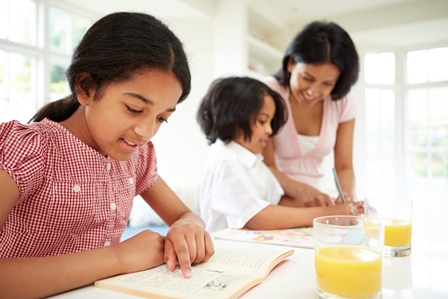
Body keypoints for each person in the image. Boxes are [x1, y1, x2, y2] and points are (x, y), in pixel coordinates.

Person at [0, 12, 214, 298]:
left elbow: (185, 214)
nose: (146, 131)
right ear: (86, 87)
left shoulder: (137, 158)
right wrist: (120, 258)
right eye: (135, 109)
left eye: (162, 118)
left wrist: (188, 225)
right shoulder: (30, 149)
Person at [197, 76, 363, 233]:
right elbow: (256, 217)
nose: (269, 131)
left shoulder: (254, 162)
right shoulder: (225, 159)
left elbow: (278, 203)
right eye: (262, 121)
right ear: (233, 118)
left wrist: (330, 206)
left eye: (270, 122)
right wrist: (326, 214)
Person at [263, 21, 360, 207]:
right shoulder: (268, 94)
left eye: (327, 84)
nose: (313, 92)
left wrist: (346, 197)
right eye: (307, 78)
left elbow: (344, 167)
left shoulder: (342, 101)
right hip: (273, 202)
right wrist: (301, 191)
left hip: (313, 204)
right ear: (291, 63)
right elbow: (267, 166)